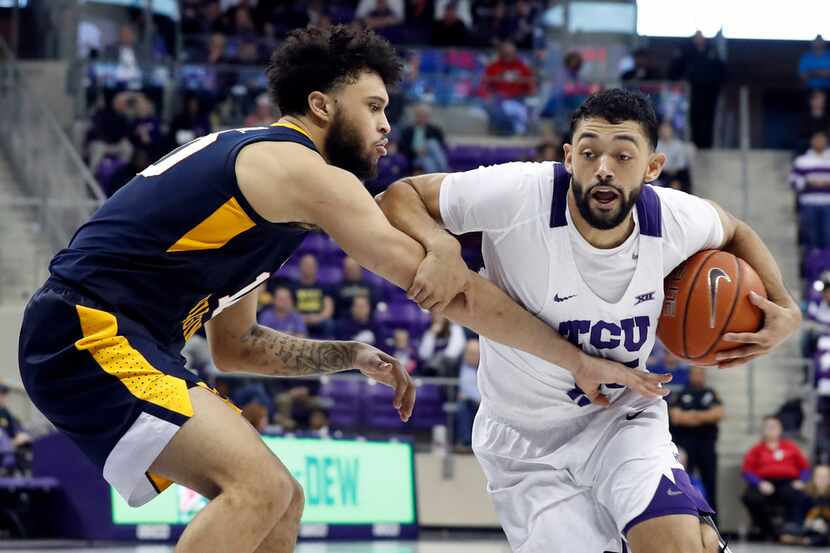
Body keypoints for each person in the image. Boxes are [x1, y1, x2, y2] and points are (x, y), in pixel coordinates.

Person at [20, 28, 666, 553]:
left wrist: (349, 354)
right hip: (89, 327)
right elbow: (450, 292)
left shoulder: (268, 195)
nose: (388, 125)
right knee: (257, 486)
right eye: (375, 107)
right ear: (323, 105)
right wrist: (575, 356)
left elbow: (237, 346)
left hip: (113, 334)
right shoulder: (302, 170)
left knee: (280, 502)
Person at [377, 88, 801, 553]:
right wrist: (440, 245)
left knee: (679, 544)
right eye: (589, 152)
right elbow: (401, 195)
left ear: (653, 167)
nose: (603, 167)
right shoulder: (519, 193)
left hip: (622, 418)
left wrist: (785, 306)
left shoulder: (676, 218)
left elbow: (735, 229)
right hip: (526, 440)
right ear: (568, 157)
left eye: (623, 155)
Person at [742, 415, 812, 542]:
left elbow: (805, 468)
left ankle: (793, 530)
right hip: (764, 483)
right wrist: (759, 483)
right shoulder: (756, 450)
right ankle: (767, 530)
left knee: (800, 495)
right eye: (768, 427)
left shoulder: (790, 447)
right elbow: (747, 472)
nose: (772, 429)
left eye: (775, 426)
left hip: (788, 482)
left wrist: (802, 481)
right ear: (763, 430)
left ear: (780, 429)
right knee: (751, 498)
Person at [669, 366, 724, 511]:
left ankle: (714, 523)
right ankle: (688, 516)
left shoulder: (711, 393)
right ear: (690, 375)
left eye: (701, 373)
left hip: (707, 446)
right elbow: (676, 417)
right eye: (696, 373)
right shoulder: (681, 394)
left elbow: (718, 414)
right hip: (685, 447)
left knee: (711, 485)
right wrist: (704, 417)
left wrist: (691, 416)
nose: (699, 376)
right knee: (684, 485)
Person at [790, 130, 830, 249]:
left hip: (828, 203)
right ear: (812, 141)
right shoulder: (802, 161)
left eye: (821, 140)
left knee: (827, 236)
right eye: (816, 139)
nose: (819, 142)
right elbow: (793, 181)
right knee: (810, 236)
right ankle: (812, 265)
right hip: (809, 203)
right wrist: (807, 182)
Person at [292, 254, 335, 338]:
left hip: (319, 319)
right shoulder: (293, 286)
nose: (308, 268)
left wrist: (317, 318)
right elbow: (289, 307)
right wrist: (302, 318)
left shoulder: (324, 287)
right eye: (306, 265)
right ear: (300, 267)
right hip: (299, 319)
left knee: (329, 324)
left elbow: (328, 309)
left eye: (311, 265)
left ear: (316, 268)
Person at [399, 104, 449, 174]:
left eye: (424, 116)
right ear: (416, 117)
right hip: (416, 156)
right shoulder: (408, 130)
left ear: (428, 117)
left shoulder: (435, 130)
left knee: (432, 144)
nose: (422, 118)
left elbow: (441, 146)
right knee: (428, 159)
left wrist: (426, 149)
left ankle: (440, 174)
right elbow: (402, 147)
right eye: (420, 116)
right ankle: (445, 171)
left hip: (431, 155)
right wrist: (416, 151)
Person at [455, 338, 480, 448]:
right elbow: (464, 388)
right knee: (463, 405)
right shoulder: (457, 366)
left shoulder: (486, 367)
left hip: (484, 401)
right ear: (465, 354)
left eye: (476, 354)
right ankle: (465, 442)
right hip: (467, 401)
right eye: (471, 353)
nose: (474, 356)